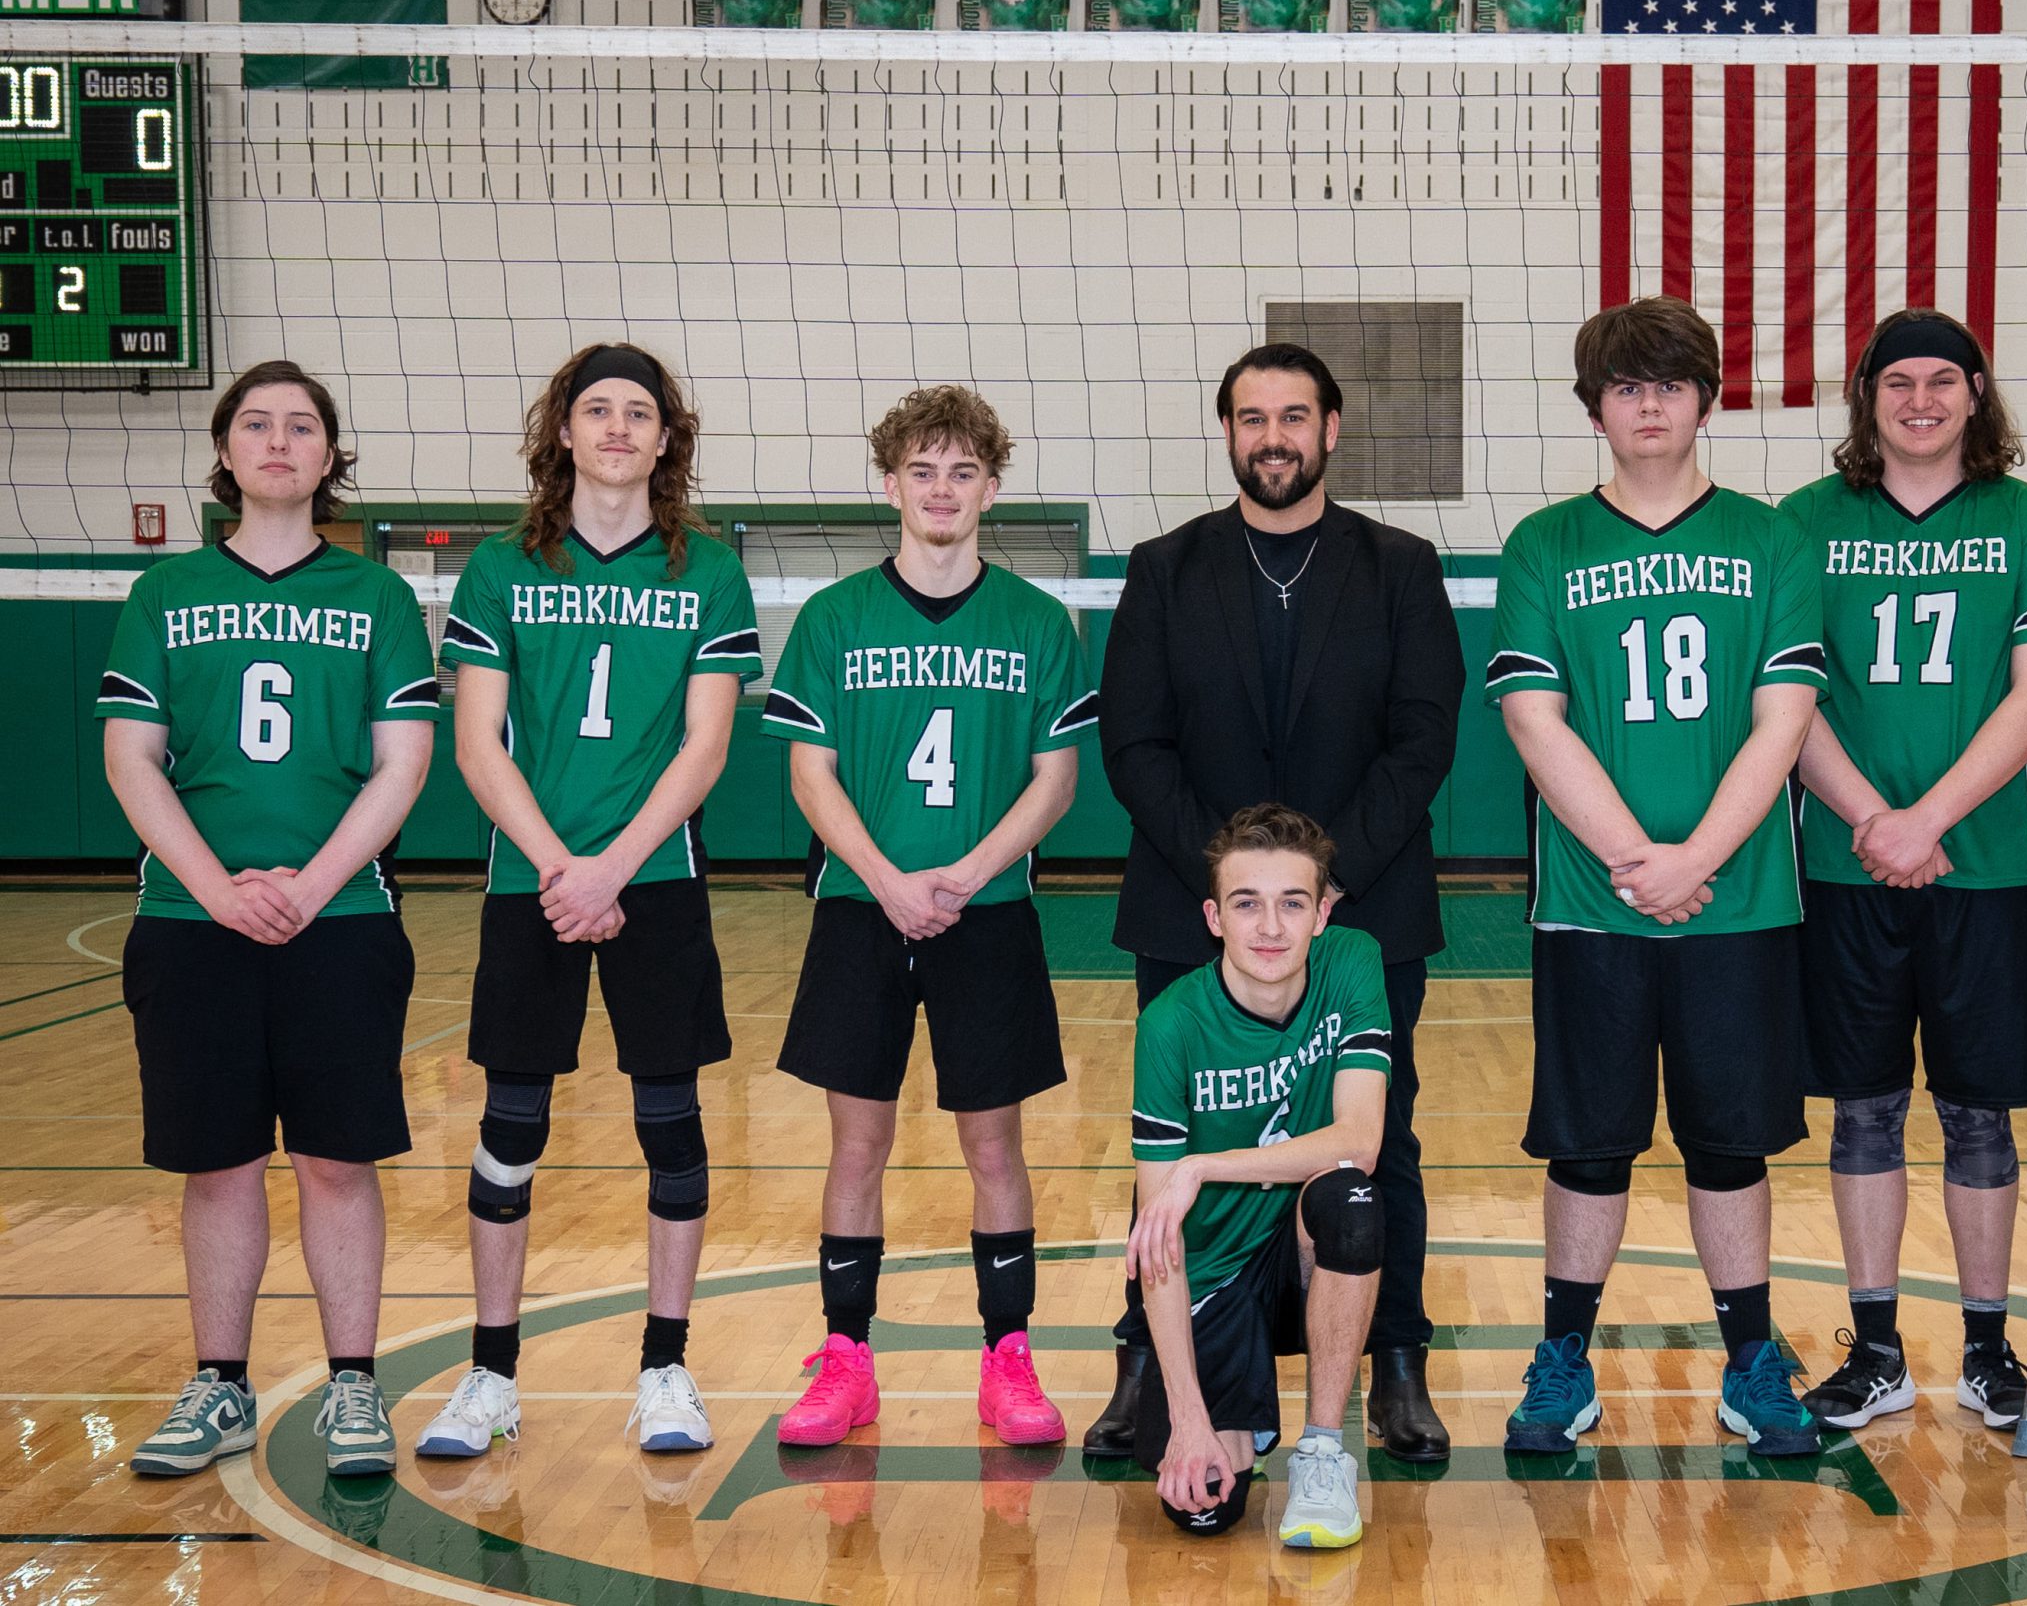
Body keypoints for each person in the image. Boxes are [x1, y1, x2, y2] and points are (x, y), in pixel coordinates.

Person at [1087, 343, 1463, 1464]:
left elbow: (1423, 736)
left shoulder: (1400, 564)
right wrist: (1231, 880)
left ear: (1331, 429)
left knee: (1374, 1141)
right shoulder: (1165, 567)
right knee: (1176, 1145)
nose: (1273, 435)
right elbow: (1133, 738)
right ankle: (1149, 1356)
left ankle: (1394, 1357)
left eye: (1294, 414)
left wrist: (1320, 878)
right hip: (1191, 908)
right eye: (1251, 416)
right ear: (1228, 433)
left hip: (1366, 906)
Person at [1486, 294, 1827, 1459]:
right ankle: (1562, 1360)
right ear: (1595, 407)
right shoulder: (1542, 544)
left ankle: (1751, 1360)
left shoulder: (1773, 540)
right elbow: (1536, 721)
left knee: (1729, 1143)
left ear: (1704, 398)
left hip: (1741, 904)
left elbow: (1782, 722)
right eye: (1625, 386)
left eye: (1668, 383)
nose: (1647, 402)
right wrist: (1642, 863)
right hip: (1591, 905)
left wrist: (1695, 861)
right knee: (1587, 1142)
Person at [417, 343, 762, 1460]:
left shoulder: (704, 568)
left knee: (672, 1125)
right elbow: (475, 742)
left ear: (668, 438)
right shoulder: (499, 566)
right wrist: (565, 864)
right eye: (596, 409)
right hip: (531, 878)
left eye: (640, 412)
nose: (618, 427)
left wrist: (613, 865)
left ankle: (666, 1363)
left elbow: (706, 744)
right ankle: (491, 1374)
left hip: (655, 877)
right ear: (561, 429)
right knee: (510, 1127)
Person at [104, 361, 439, 1478]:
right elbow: (132, 757)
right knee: (219, 1163)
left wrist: (308, 882)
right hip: (189, 921)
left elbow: (403, 765)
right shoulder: (164, 593)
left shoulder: (378, 598)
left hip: (339, 918)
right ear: (227, 448)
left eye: (302, 426)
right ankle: (222, 1385)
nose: (280, 440)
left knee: (339, 1160)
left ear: (329, 455)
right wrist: (213, 887)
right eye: (258, 422)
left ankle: (354, 1385)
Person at [762, 385, 1097, 1452]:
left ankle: (1008, 1359)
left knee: (993, 1145)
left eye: (962, 471)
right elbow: (810, 775)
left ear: (991, 487)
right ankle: (846, 1360)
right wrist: (889, 875)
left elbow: (1055, 782)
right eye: (922, 469)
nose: (941, 488)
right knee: (855, 1143)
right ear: (891, 482)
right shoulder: (832, 618)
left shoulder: (1041, 623)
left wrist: (966, 870)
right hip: (862, 909)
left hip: (989, 911)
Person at [1780, 309, 2027, 1433]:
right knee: (1863, 1110)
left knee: (1978, 1115)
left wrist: (1930, 818)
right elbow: (1788, 697)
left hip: (1982, 865)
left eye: (1940, 381)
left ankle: (1989, 1350)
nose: (1919, 399)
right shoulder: (1804, 521)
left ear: (1974, 392)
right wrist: (1871, 818)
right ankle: (1874, 1348)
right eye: (1895, 381)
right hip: (1845, 865)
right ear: (1865, 396)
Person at [1127, 803, 1391, 1547]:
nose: (1270, 927)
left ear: (1323, 914)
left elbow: (1361, 1140)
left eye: (1292, 904)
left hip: (1303, 1249)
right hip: (1211, 1271)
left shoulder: (1352, 963)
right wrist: (1187, 1420)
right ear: (1213, 916)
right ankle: (1199, 1403)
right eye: (1247, 903)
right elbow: (1159, 1247)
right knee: (1204, 1510)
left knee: (1352, 1196)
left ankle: (1320, 1452)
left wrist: (1203, 1166)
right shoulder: (1172, 1024)